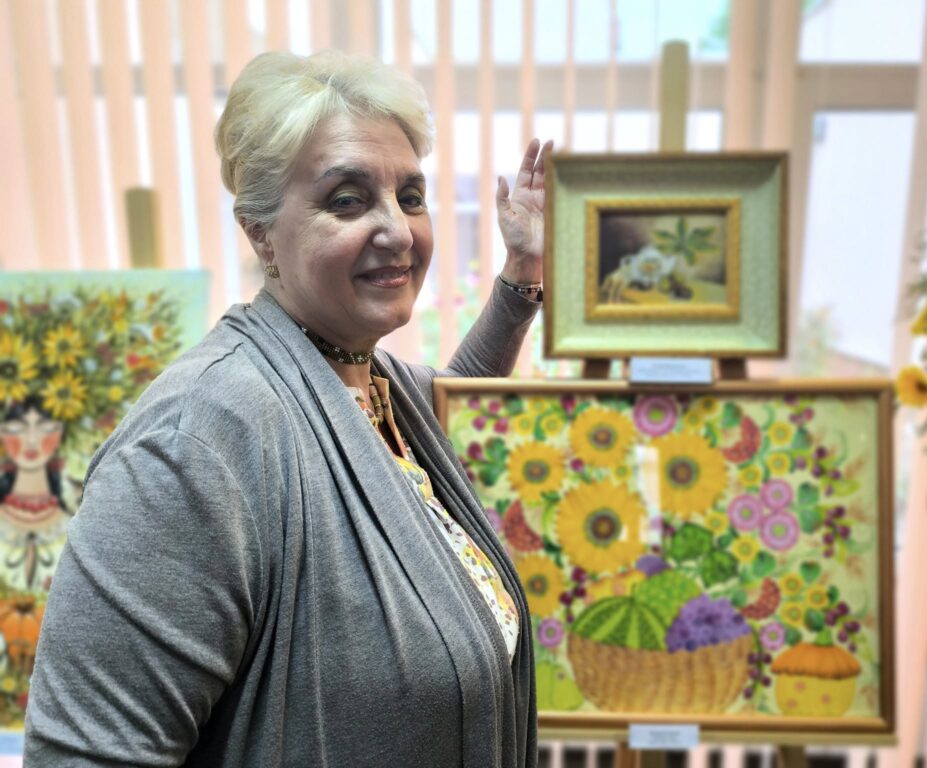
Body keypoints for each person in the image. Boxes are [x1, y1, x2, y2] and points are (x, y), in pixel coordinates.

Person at [25, 50, 550, 767]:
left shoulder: (375, 386)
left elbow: (435, 443)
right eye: (347, 200)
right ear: (261, 232)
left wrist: (521, 280)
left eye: (410, 196)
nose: (399, 231)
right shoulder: (194, 444)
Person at [0, 398, 68, 592]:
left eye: (46, 428)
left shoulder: (75, 524)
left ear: (61, 433)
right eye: (17, 428)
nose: (31, 440)